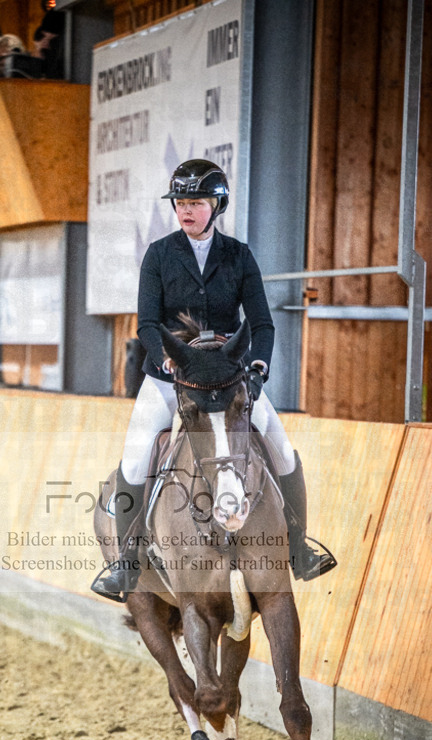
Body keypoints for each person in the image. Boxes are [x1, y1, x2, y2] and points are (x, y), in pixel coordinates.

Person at [92, 159, 336, 601]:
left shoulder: (239, 256)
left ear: (216, 204)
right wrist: (165, 354)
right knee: (134, 459)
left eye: (196, 202)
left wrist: (259, 367)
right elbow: (147, 321)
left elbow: (262, 323)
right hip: (171, 379)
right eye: (180, 203)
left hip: (228, 382)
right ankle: (127, 564)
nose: (185, 210)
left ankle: (298, 547)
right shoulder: (160, 255)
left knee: (281, 449)